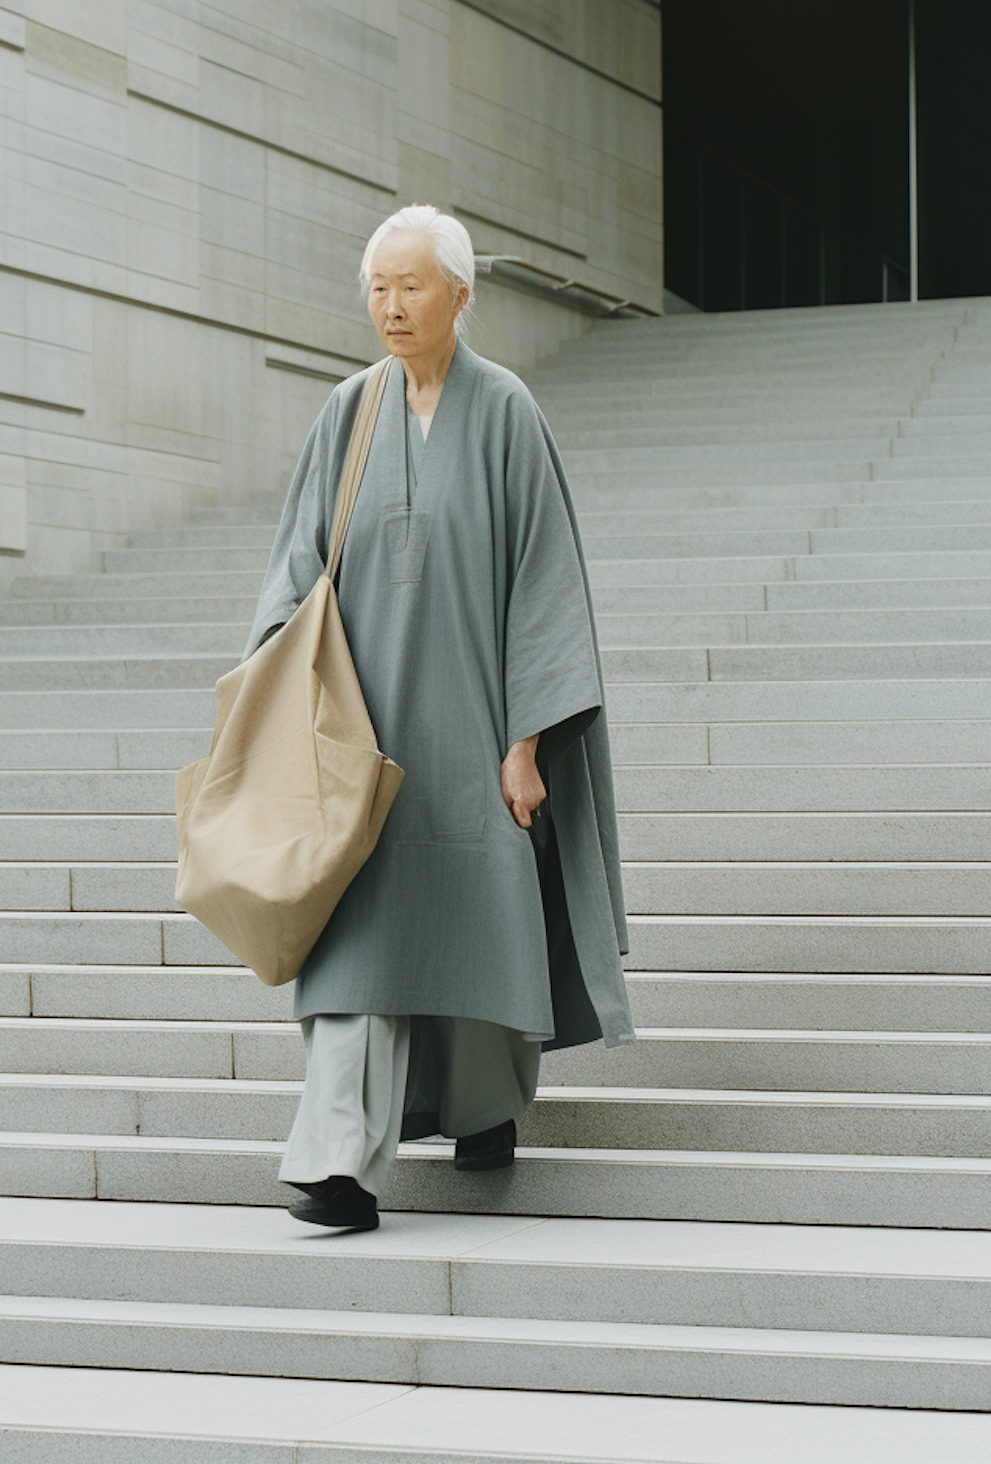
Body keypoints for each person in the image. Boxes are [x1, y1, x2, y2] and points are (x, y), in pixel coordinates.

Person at [245, 205, 635, 1232]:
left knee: (477, 926)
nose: (391, 304)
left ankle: (482, 1108)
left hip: (476, 736)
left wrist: (526, 743)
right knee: (359, 952)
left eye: (411, 285)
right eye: (377, 286)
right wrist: (284, 701)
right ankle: (336, 1164)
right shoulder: (347, 413)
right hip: (363, 746)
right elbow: (294, 570)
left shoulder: (507, 412)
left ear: (462, 294)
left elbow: (545, 585)